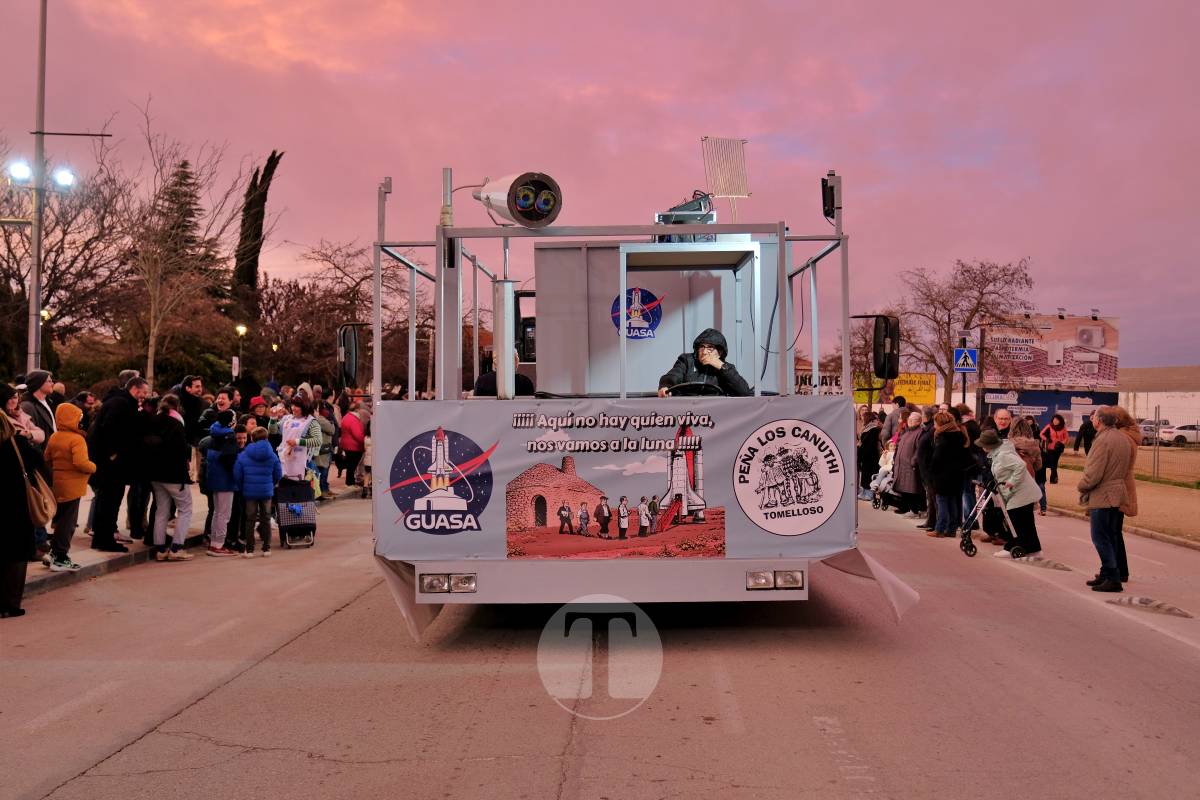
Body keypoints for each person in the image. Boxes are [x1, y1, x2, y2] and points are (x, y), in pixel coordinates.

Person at [87, 376, 150, 553]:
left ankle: (102, 538)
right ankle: (105, 539)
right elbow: (110, 429)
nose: (145, 396)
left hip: (111, 462)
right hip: (111, 464)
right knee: (109, 501)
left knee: (107, 500)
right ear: (136, 390)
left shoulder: (121, 401)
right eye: (144, 392)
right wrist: (112, 453)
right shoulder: (120, 403)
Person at [1077, 407, 1134, 592]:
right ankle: (1106, 572)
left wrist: (1082, 485)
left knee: (1100, 537)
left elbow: (1094, 472)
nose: (1092, 419)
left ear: (1099, 421)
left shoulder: (1102, 440)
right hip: (1117, 491)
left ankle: (1112, 576)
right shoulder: (1122, 438)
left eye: (1094, 417)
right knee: (1110, 535)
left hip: (1103, 494)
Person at [0, 404, 42, 617]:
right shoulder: (16, 443)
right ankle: (11, 604)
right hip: (15, 504)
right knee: (16, 554)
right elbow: (38, 461)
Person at [45, 401, 96, 571]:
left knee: (60, 520)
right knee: (68, 522)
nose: (81, 421)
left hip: (57, 483)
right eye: (78, 418)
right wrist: (93, 467)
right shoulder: (77, 439)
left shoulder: (54, 436)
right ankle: (60, 556)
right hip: (73, 486)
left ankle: (53, 552)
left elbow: (47, 458)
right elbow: (81, 463)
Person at [975, 430, 1042, 558]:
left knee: (1015, 520)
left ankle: (1011, 547)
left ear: (988, 445)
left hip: (1021, 492)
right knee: (1026, 522)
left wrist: (1012, 481)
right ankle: (1034, 550)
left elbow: (1021, 466)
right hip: (1020, 492)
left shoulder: (1002, 454)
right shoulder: (997, 453)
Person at [145, 395, 195, 561]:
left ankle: (160, 549)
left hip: (155, 473)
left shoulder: (152, 421)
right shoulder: (176, 424)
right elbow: (181, 451)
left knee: (161, 510)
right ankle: (176, 547)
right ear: (177, 407)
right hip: (174, 474)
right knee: (185, 508)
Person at [657, 328, 752, 397]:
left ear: (720, 352)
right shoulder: (687, 360)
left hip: (715, 414)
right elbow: (673, 375)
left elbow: (744, 392)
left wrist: (722, 367)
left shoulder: (727, 368)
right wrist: (666, 386)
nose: (704, 351)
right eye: (702, 347)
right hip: (687, 412)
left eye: (710, 348)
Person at [234, 427, 282, 558]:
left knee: (250, 519)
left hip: (249, 491)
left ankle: (249, 549)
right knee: (266, 518)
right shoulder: (272, 454)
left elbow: (237, 474)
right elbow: (278, 473)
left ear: (251, 438)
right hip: (266, 490)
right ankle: (266, 548)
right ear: (266, 438)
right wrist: (271, 484)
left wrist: (242, 486)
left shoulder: (244, 455)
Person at [204, 410, 240, 557]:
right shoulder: (229, 436)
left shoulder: (214, 432)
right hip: (225, 478)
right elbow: (229, 459)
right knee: (224, 514)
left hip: (214, 476)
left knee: (217, 512)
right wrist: (236, 474)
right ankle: (218, 545)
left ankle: (214, 542)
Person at [928, 411, 968, 538]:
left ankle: (940, 529)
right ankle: (951, 529)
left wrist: (931, 472)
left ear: (940, 424)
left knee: (942, 501)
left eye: (935, 422)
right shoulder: (959, 436)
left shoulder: (943, 438)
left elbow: (937, 458)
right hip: (957, 474)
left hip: (943, 475)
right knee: (952, 501)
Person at [892, 411, 924, 516]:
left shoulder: (919, 432)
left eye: (913, 419)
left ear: (919, 421)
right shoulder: (907, 432)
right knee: (903, 487)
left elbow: (919, 449)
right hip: (902, 464)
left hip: (910, 465)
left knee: (912, 488)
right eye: (909, 419)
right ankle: (904, 507)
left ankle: (913, 509)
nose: (910, 421)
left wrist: (913, 460)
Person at [20, 369, 56, 448]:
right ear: (39, 383)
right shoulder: (26, 406)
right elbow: (29, 437)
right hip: (39, 456)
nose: (53, 383)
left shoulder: (49, 402)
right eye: (49, 381)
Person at [915, 407, 937, 530]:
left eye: (922, 415)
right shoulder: (926, 429)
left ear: (926, 417)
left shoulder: (931, 430)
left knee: (932, 496)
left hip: (928, 469)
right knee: (929, 496)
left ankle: (933, 521)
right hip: (924, 468)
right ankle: (930, 520)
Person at [338, 401, 367, 487]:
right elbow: (358, 435)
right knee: (352, 466)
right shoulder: (354, 419)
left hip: (346, 445)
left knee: (350, 466)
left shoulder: (346, 417)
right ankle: (350, 482)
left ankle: (350, 482)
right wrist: (365, 441)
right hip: (354, 447)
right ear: (357, 409)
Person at [857, 407, 882, 501]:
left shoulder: (873, 430)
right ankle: (864, 492)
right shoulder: (868, 428)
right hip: (867, 457)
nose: (862, 419)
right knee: (865, 475)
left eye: (864, 418)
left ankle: (869, 494)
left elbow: (869, 445)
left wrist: (861, 447)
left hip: (870, 457)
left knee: (869, 475)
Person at [1038, 414, 1068, 484]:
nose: (1055, 421)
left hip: (1058, 449)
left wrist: (1061, 443)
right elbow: (1041, 434)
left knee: (1055, 463)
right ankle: (1053, 478)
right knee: (1052, 463)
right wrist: (1047, 439)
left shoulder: (1063, 428)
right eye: (1054, 419)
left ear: (1060, 421)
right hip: (1050, 448)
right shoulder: (1049, 426)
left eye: (1057, 420)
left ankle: (1054, 478)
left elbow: (1066, 438)